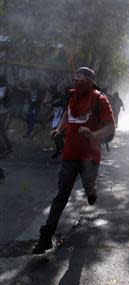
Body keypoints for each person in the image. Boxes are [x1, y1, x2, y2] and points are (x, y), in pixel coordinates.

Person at [32, 67, 115, 254]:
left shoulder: (100, 100)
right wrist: (59, 130)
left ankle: (91, 189)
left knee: (88, 188)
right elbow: (67, 115)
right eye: (75, 79)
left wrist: (93, 134)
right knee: (61, 196)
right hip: (70, 156)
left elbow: (111, 128)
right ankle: (46, 238)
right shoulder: (74, 96)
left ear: (90, 82)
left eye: (80, 80)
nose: (76, 83)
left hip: (90, 158)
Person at [49, 85, 66, 158]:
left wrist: (52, 104)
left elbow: (62, 104)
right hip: (56, 117)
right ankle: (59, 150)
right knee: (56, 136)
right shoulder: (54, 97)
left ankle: (63, 150)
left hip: (60, 118)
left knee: (57, 135)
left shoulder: (62, 97)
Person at [0, 76, 12, 157]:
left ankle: (3, 150)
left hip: (1, 111)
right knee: (2, 131)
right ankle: (8, 147)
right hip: (3, 111)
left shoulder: (3, 88)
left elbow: (0, 97)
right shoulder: (6, 87)